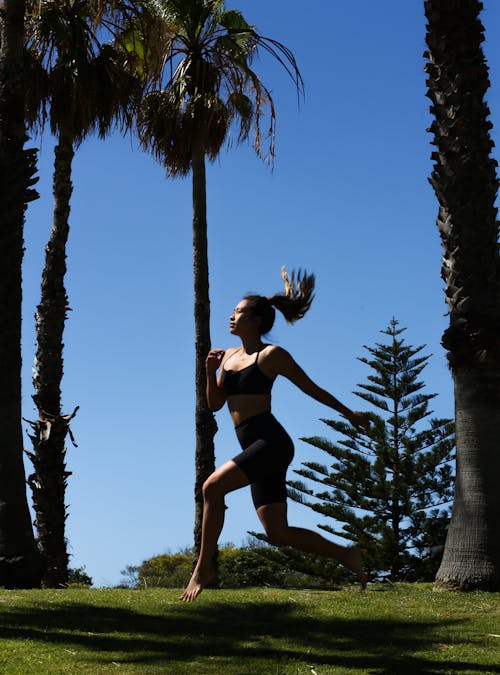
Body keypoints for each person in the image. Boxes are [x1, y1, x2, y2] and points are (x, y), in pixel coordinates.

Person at [180, 269, 371, 602]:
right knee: (277, 533)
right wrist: (210, 373)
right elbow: (214, 404)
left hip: (270, 442)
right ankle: (346, 555)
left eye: (237, 312)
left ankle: (203, 567)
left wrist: (348, 413)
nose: (231, 316)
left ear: (255, 320)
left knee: (212, 487)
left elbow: (311, 388)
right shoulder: (227, 356)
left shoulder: (271, 356)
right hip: (255, 444)